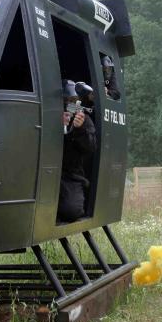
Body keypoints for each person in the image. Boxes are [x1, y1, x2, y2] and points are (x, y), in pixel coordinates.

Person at [58, 79, 97, 222]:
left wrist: (79, 130)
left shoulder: (83, 118)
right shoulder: (47, 115)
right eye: (66, 100)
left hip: (71, 176)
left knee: (71, 211)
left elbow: (91, 147)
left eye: (73, 100)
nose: (70, 104)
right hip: (46, 172)